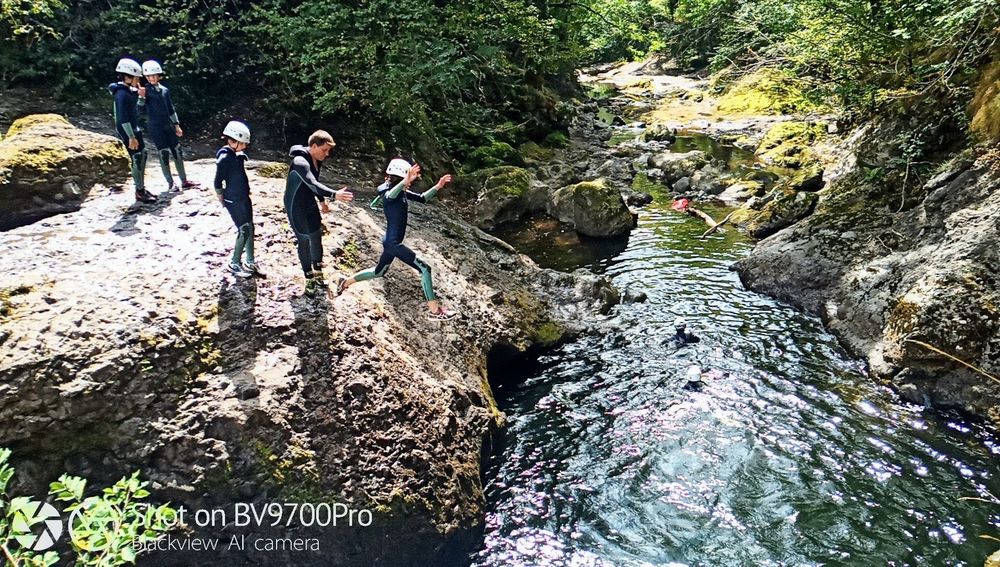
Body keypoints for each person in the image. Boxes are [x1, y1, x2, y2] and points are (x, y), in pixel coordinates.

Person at [336, 159, 457, 321]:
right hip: (393, 244)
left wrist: (438, 186)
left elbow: (422, 198)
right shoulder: (390, 194)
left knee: (379, 272)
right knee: (425, 269)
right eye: (408, 180)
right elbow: (390, 194)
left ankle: (344, 282)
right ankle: (435, 311)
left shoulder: (401, 193)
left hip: (390, 242)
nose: (410, 183)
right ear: (400, 178)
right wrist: (406, 180)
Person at [283, 130, 353, 296]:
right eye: (324, 150)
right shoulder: (300, 162)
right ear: (314, 146)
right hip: (295, 205)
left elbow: (314, 184)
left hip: (308, 201)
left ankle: (318, 272)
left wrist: (321, 201)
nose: (327, 154)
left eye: (328, 151)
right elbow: (312, 182)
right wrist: (334, 195)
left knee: (316, 236)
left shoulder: (317, 159)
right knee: (304, 239)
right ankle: (309, 279)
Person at [140, 60, 199, 192]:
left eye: (154, 75)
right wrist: (141, 98)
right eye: (149, 76)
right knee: (164, 153)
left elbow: (171, 108)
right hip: (155, 127)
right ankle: (170, 183)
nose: (152, 78)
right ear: (146, 77)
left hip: (168, 125)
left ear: (159, 76)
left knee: (177, 151)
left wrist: (177, 125)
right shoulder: (145, 91)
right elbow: (140, 110)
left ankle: (184, 180)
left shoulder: (164, 90)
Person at [214, 121, 259, 278]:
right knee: (244, 229)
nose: (245, 146)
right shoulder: (225, 157)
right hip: (233, 199)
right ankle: (234, 263)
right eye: (243, 143)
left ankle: (250, 261)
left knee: (250, 227)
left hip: (243, 197)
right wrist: (220, 195)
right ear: (234, 140)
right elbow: (218, 180)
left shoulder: (236, 155)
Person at [109, 58, 155, 203]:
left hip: (133, 128)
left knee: (143, 155)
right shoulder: (121, 94)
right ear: (127, 77)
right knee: (137, 157)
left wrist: (141, 97)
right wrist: (131, 137)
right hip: (128, 130)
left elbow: (137, 110)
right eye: (136, 78)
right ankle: (139, 191)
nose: (138, 81)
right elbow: (122, 118)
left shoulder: (128, 91)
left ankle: (141, 188)